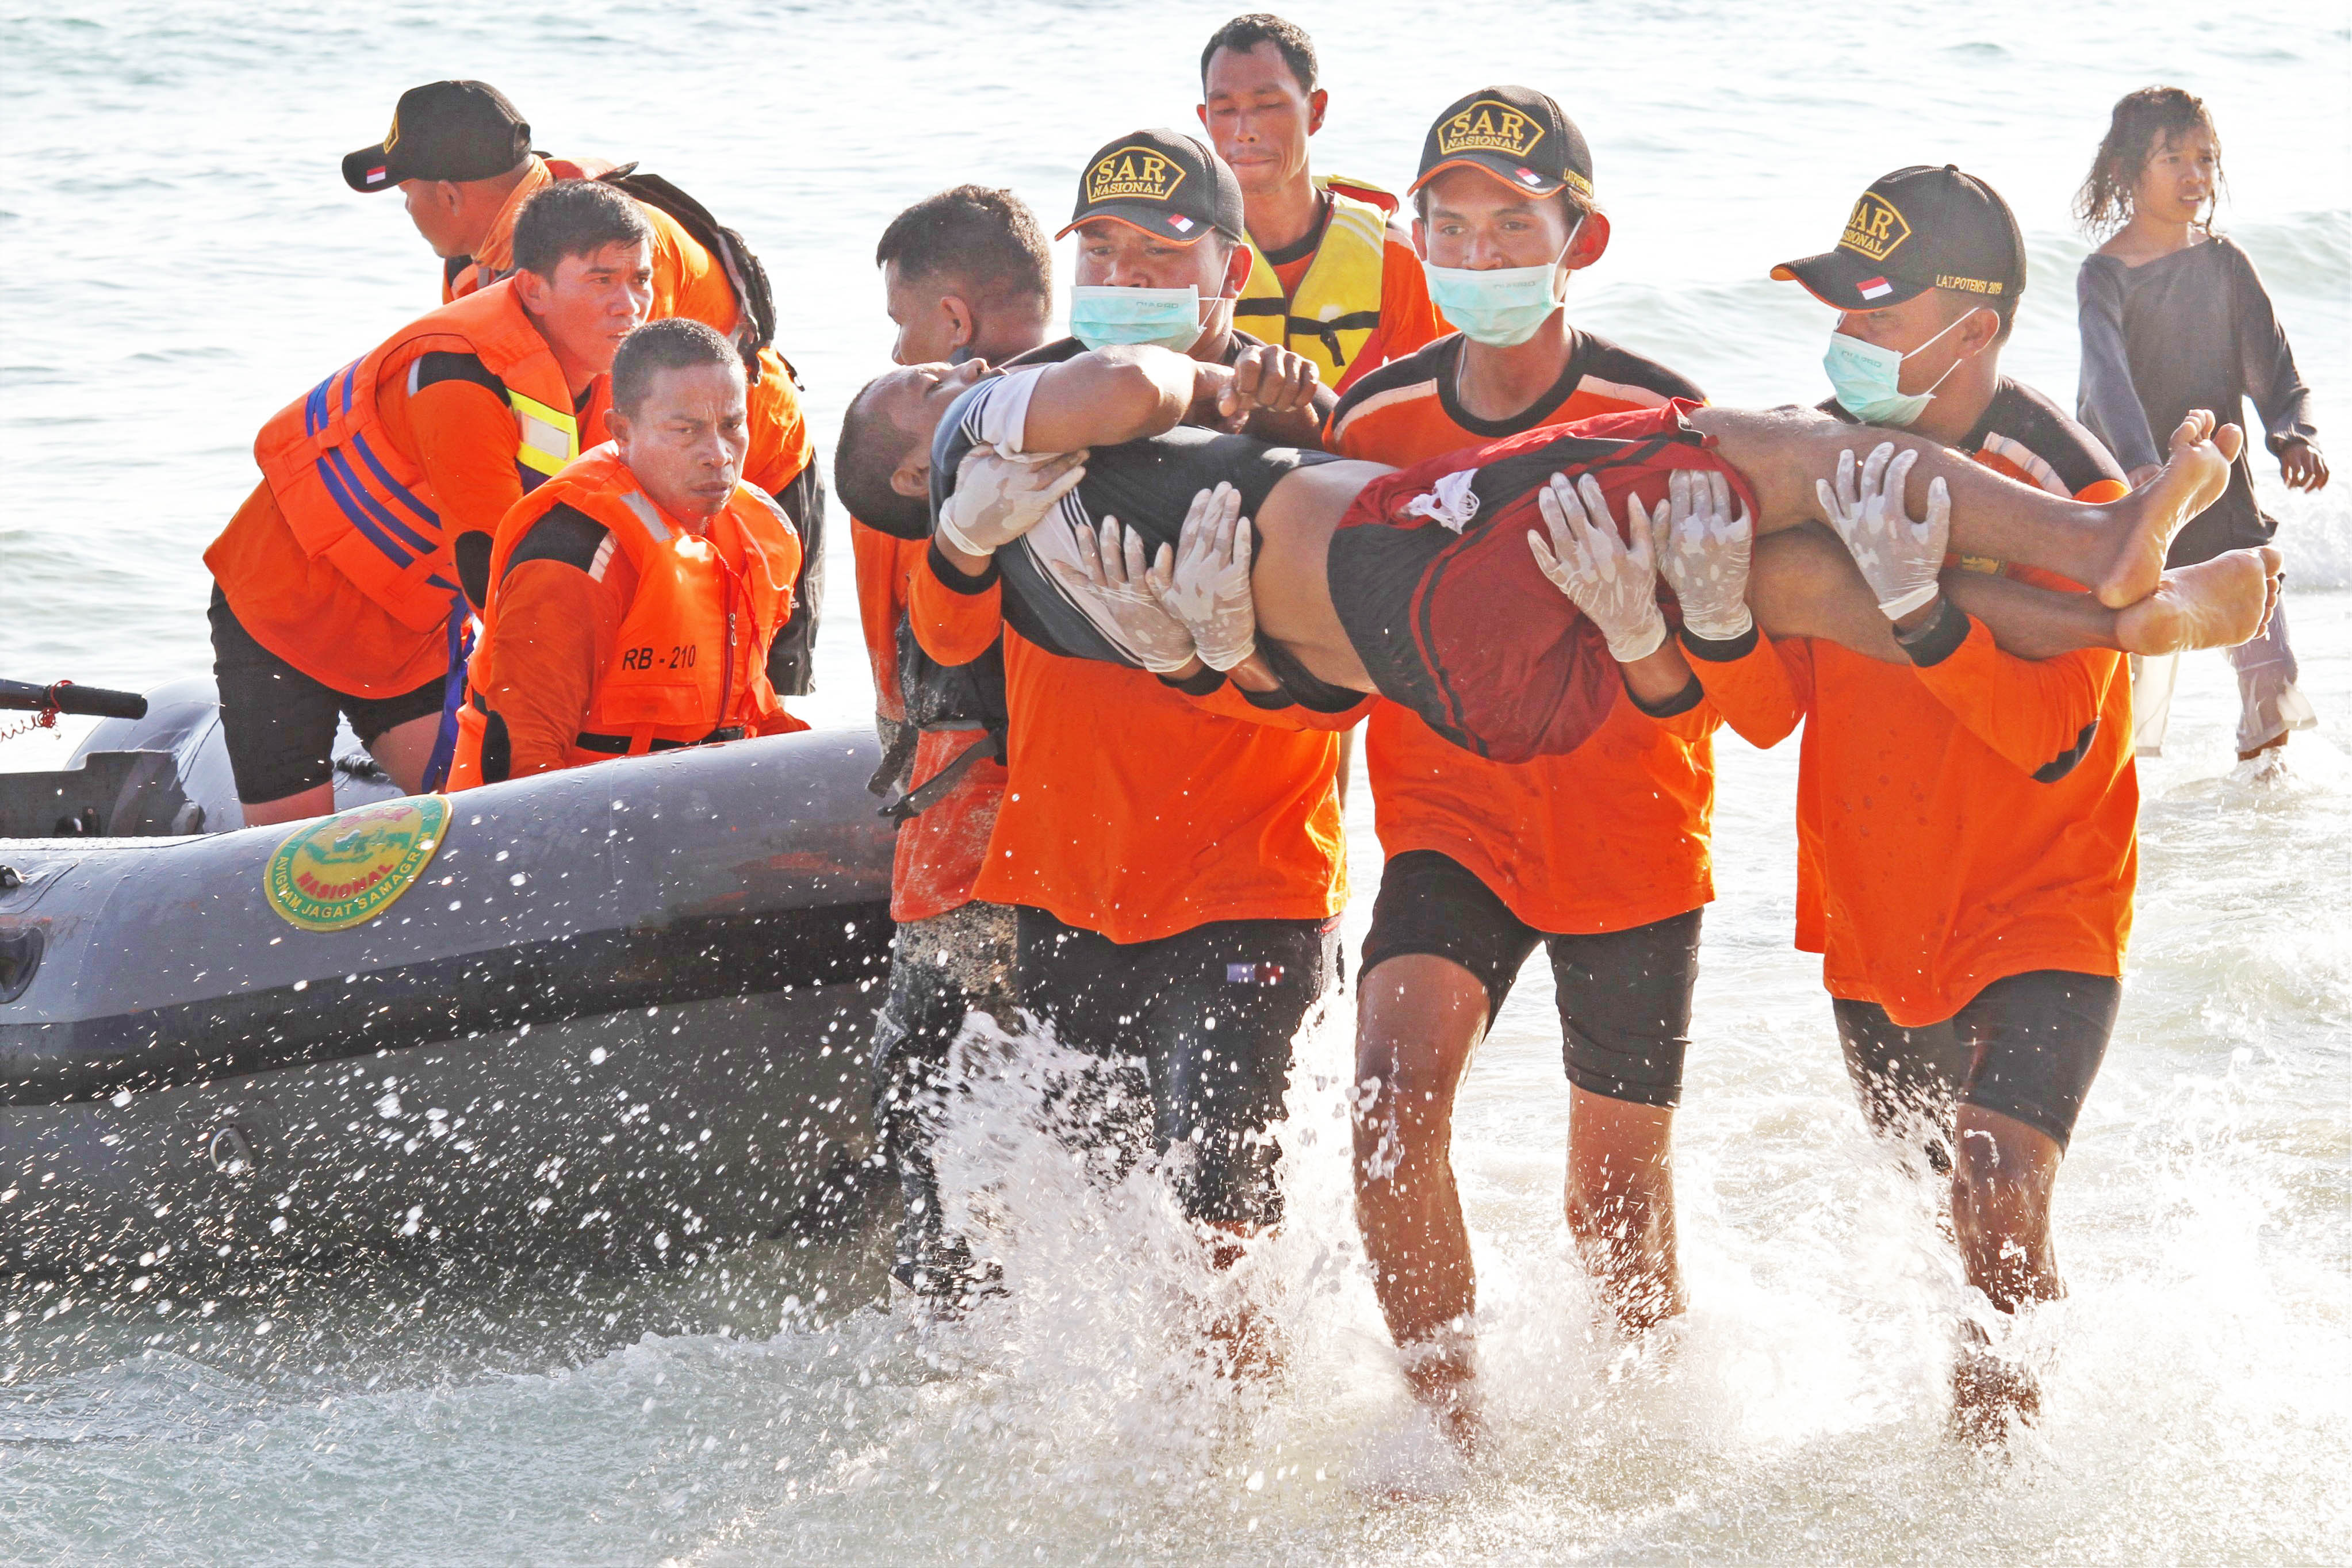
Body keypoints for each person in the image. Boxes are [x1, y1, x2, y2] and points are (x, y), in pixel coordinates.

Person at [833, 132, 1359, 1348]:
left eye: (1161, 249)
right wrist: (962, 548)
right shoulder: (1030, 405)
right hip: (1067, 887)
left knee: (1225, 1237)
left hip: (1250, 878)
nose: (1125, 266)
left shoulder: (1296, 416)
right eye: (1104, 246)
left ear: (1230, 268)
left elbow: (1348, 692)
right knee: (1105, 1235)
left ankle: (1230, 1504)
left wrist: (1212, 665)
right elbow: (945, 661)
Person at [1324, 86, 1794, 1440]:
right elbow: (1317, 649)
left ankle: (1648, 1454)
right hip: (1447, 822)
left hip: (1631, 833)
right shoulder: (1373, 419)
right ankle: (1447, 1429)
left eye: (1511, 224)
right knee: (1386, 1112)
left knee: (1615, 1210)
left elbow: (1758, 696)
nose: (1478, 252)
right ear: (1411, 240)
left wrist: (1674, 626)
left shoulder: (1667, 416)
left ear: (1578, 241)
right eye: (1450, 226)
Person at [838, 340, 2275, 770]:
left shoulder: (1031, 575)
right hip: (1421, 556)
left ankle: (2111, 629)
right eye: (907, 387)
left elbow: (1255, 672)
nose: (938, 366)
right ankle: (2092, 542)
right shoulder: (985, 436)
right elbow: (1110, 396)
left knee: (1769, 569)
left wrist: (1249, 665)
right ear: (916, 467)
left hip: (1446, 682)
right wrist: (1191, 373)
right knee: (1754, 454)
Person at [1761, 164, 2169, 1441]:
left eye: (1879, 318)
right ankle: (1983, 1449)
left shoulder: (2067, 482)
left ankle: (2003, 1492)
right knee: (1950, 1222)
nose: (1849, 343)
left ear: (1973, 329)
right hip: (1879, 914)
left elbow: (2057, 741)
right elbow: (1764, 710)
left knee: (1992, 1181)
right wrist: (1712, 618)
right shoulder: (1814, 455)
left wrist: (1926, 617)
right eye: (1844, 313)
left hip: (2045, 902)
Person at [344, 79, 826, 700]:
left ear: (447, 194)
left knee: (750, 686)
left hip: (752, 475)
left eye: (406, 193)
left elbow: (634, 422)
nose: (407, 209)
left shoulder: (620, 248)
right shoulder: (475, 268)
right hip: (638, 464)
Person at [203, 181, 655, 825]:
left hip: (408, 635)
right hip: (284, 613)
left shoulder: (616, 380)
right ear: (532, 288)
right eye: (602, 280)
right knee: (289, 855)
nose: (630, 305)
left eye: (641, 279)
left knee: (482, 815)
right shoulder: (457, 376)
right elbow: (491, 574)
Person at [857, 186, 1054, 1306]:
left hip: (960, 844)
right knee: (1062, 1092)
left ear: (952, 319)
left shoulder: (914, 446)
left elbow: (910, 673)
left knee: (927, 1091)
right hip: (1087, 847)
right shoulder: (1091, 421)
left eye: (901, 327)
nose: (895, 351)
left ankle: (947, 1315)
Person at [2075, 85, 2327, 766]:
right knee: (2124, 670)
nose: (2195, 176)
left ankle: (2265, 789)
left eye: (2206, 160)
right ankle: (2106, 801)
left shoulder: (2224, 264)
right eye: (2173, 159)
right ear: (2129, 171)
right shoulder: (2104, 276)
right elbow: (2106, 382)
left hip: (2222, 491)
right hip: (2136, 497)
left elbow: (2275, 371)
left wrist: (2291, 433)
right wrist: (2138, 465)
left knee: (2269, 668)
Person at [446, 318, 805, 786]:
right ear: (621, 431)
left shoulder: (761, 532)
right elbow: (522, 761)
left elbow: (753, 705)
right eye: (685, 430)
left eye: (733, 424)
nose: (718, 454)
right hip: (572, 815)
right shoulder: (573, 556)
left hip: (686, 804)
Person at [1196, 14, 1441, 394]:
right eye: (1225, 110)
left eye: (1269, 104)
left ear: (1317, 110)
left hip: (1348, 450)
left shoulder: (1388, 254)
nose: (1244, 131)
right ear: (1205, 120)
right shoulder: (1182, 253)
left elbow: (1437, 398)